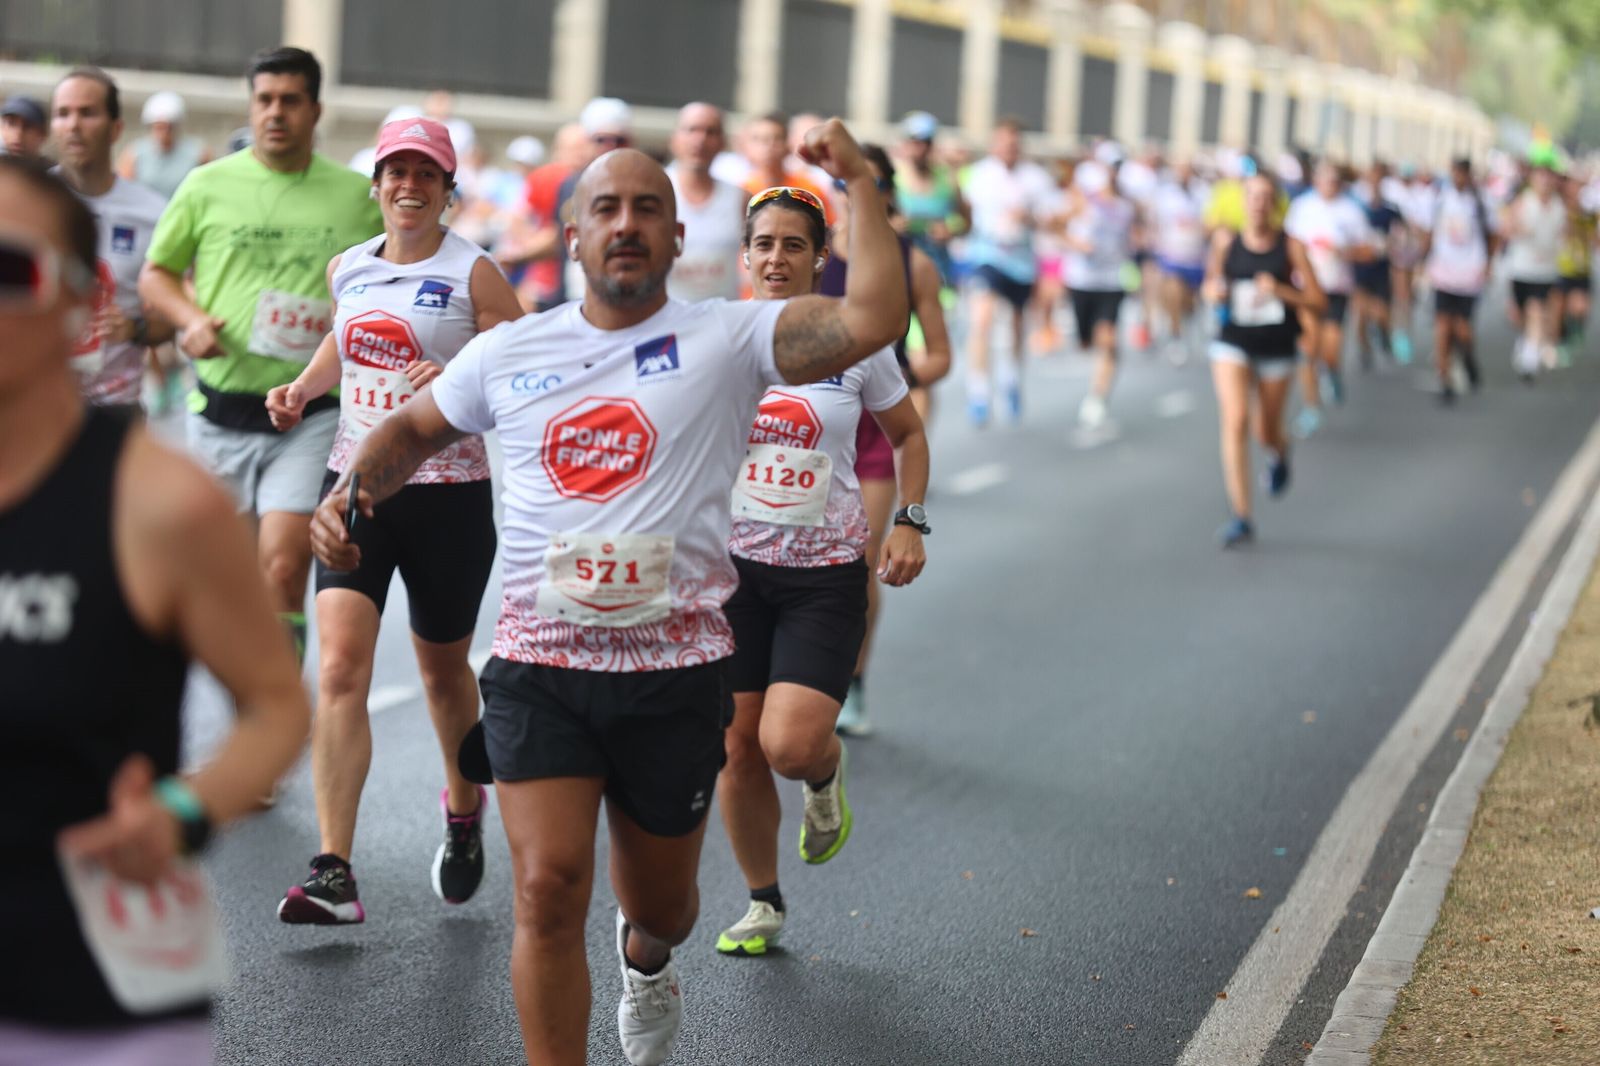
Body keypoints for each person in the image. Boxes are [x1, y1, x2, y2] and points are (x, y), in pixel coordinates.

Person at [308, 119, 907, 1066]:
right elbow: (411, 430)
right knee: (547, 892)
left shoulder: (730, 338)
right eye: (605, 208)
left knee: (665, 907)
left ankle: (648, 956)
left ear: (679, 238)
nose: (626, 223)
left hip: (674, 674)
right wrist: (349, 495)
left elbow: (873, 321)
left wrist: (861, 182)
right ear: (572, 237)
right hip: (539, 670)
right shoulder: (510, 350)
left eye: (647, 209)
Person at [0, 155, 309, 1066]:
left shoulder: (159, 502)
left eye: (9, 269)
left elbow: (276, 705)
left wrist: (182, 811)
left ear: (83, 300)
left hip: (91, 1004)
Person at [263, 119, 524, 924]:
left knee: (443, 672)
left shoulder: (475, 272)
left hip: (448, 495)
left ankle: (463, 806)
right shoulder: (349, 266)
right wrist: (304, 389)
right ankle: (333, 870)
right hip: (356, 490)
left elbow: (520, 367)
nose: (409, 186)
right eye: (396, 171)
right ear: (376, 184)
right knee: (341, 668)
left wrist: (457, 373)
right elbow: (341, 343)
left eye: (426, 173)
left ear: (448, 190)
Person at [715, 183, 929, 955]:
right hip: (729, 574)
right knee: (737, 747)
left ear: (819, 259)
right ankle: (762, 901)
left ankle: (823, 773)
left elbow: (908, 435)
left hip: (824, 575)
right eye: (764, 244)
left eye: (793, 245)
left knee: (789, 746)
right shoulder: (713, 337)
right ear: (745, 257)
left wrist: (908, 520)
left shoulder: (852, 342)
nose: (777, 258)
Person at [138, 46, 384, 663]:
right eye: (265, 100)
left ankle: (277, 700)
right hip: (218, 412)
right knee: (227, 578)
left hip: (307, 415)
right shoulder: (207, 185)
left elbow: (390, 279)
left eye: (290, 101)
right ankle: (246, 693)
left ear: (315, 110)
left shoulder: (356, 196)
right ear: (251, 107)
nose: (276, 113)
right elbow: (157, 274)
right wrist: (191, 320)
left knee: (281, 566)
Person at [818, 144, 950, 735]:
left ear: (888, 193)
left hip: (872, 429)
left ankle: (853, 681)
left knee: (859, 558)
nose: (854, 194)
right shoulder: (811, 254)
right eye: (844, 183)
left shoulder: (911, 263)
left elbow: (940, 354)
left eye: (868, 183)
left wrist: (894, 381)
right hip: (807, 423)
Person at [1203, 172, 1326, 547]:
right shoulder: (1226, 242)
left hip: (1276, 344)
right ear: (1243, 201)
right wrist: (1214, 292)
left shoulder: (1291, 247)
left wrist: (1282, 291)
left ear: (1275, 205)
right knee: (1236, 419)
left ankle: (1280, 452)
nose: (1258, 203)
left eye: (1265, 197)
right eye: (1252, 196)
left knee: (1265, 431)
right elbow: (1211, 283)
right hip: (1233, 340)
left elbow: (1318, 301)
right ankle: (1241, 516)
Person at [49, 67, 175, 411]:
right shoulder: (29, 203)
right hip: (35, 406)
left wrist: (134, 327)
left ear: (116, 128)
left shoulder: (153, 214)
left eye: (87, 113)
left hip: (115, 409)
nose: (73, 125)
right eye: (62, 113)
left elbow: (171, 321)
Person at [962, 117, 1056, 426]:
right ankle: (978, 392)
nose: (1008, 149)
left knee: (1016, 323)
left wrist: (1028, 217)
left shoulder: (1035, 178)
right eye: (1003, 143)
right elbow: (964, 212)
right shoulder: (978, 175)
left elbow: (1052, 220)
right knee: (982, 320)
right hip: (986, 255)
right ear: (994, 145)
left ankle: (1010, 379)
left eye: (1013, 144)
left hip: (1021, 260)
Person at [1284, 161, 1374, 438]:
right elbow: (1288, 244)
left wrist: (1343, 251)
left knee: (1331, 348)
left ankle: (1332, 371)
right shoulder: (1302, 207)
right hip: (1306, 290)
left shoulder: (1351, 211)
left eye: (1334, 181)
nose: (1329, 185)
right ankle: (1311, 407)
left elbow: (1368, 250)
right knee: (1307, 349)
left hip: (1336, 289)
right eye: (1324, 180)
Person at [1064, 160, 1139, 430]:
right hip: (1081, 281)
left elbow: (1135, 237)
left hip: (1112, 281)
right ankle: (1090, 351)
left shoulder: (1126, 207)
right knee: (1085, 343)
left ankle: (1097, 397)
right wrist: (1076, 243)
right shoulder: (1081, 200)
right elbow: (1057, 225)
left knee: (1108, 340)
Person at [1420, 157, 1495, 403]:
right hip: (1443, 272)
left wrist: (1488, 265)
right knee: (1442, 326)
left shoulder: (1481, 201)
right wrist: (1422, 262)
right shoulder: (1439, 198)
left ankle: (1467, 357)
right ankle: (1444, 378)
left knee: (1463, 329)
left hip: (1469, 274)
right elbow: (1428, 232)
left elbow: (1492, 234)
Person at [666, 102, 745, 303]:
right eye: (692, 130)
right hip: (668, 315)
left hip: (724, 315)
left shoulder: (741, 198)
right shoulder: (655, 192)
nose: (700, 139)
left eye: (710, 132)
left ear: (722, 142)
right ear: (674, 139)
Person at [1501, 158, 1567, 380]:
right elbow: (1506, 227)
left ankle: (1530, 359)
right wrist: (1517, 228)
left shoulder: (1559, 206)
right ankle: (1526, 340)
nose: (1545, 181)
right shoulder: (1522, 202)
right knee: (1520, 316)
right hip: (1521, 269)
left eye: (1549, 176)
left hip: (1545, 271)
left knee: (1536, 310)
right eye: (1541, 176)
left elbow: (1563, 234)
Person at [893, 110, 968, 286]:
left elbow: (966, 221)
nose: (920, 149)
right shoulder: (894, 178)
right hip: (901, 271)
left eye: (925, 142)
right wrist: (892, 225)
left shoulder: (948, 180)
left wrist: (950, 230)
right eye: (914, 142)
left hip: (939, 270)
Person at [1150, 156, 1209, 364]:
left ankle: (1187, 326)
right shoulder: (1165, 195)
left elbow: (1209, 222)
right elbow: (1155, 222)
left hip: (1196, 257)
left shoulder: (1202, 193)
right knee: (1173, 294)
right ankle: (1176, 335)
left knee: (1189, 301)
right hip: (1172, 255)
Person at [1352, 162, 1405, 370]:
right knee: (1361, 312)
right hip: (1360, 267)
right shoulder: (1356, 207)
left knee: (1382, 311)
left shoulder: (1390, 210)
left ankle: (1382, 333)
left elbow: (1402, 235)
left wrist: (1391, 244)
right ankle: (1364, 348)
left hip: (1381, 268)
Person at [116, 90, 209, 200]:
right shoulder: (134, 153)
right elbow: (123, 189)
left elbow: (207, 186)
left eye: (169, 127)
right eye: (159, 127)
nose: (164, 133)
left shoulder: (198, 153)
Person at [740, 111, 828, 205]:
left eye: (777, 138)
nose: (769, 146)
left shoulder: (806, 191)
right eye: (758, 139)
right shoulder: (740, 191)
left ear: (788, 144)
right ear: (744, 145)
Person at [1555, 172, 1595, 362]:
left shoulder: (1588, 214)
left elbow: (1595, 240)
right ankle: (1561, 342)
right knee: (1560, 310)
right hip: (1561, 268)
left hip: (1581, 269)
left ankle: (1575, 332)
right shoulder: (1559, 210)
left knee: (1579, 308)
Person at [1, 95, 47, 159]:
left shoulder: (50, 165)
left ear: (42, 134)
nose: (18, 133)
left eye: (28, 125)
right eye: (11, 123)